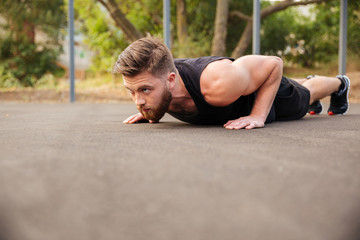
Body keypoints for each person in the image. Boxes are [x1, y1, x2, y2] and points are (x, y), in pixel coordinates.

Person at [114, 35, 350, 130]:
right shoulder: (158, 84)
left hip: (266, 95)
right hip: (242, 84)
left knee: (305, 94)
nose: (138, 101)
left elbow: (274, 64)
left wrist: (258, 115)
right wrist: (151, 107)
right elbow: (149, 93)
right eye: (131, 92)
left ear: (171, 80)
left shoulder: (217, 83)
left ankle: (340, 84)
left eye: (145, 90)